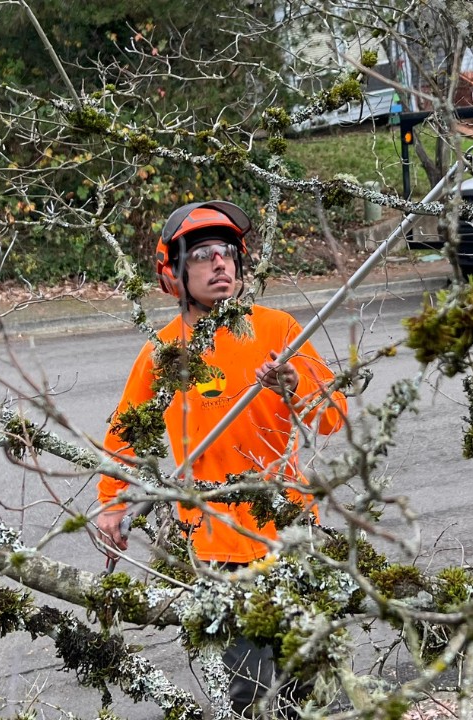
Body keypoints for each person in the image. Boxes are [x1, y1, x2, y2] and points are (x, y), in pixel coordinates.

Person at [95, 200, 348, 717]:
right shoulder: (164, 352)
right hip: (214, 548)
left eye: (228, 253)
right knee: (251, 694)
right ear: (173, 274)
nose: (220, 264)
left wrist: (296, 386)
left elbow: (332, 416)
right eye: (203, 255)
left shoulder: (278, 330)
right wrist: (111, 505)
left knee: (316, 691)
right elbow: (125, 433)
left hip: (291, 534)